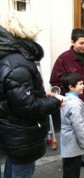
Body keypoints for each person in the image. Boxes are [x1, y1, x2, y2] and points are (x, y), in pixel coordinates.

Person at [0, 12, 63, 178]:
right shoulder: (17, 62)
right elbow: (28, 107)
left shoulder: (9, 57)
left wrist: (40, 95)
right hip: (21, 136)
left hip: (12, 133)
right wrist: (55, 101)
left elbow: (14, 97)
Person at [50, 28, 84, 168]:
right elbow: (55, 81)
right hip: (69, 105)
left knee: (82, 129)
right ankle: (69, 160)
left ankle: (82, 158)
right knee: (70, 132)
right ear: (72, 42)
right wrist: (66, 98)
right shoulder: (63, 58)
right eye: (81, 43)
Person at [60, 72, 84, 178]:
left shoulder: (65, 99)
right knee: (73, 170)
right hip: (73, 140)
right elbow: (78, 125)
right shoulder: (75, 104)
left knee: (68, 167)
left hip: (67, 138)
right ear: (71, 87)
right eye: (81, 84)